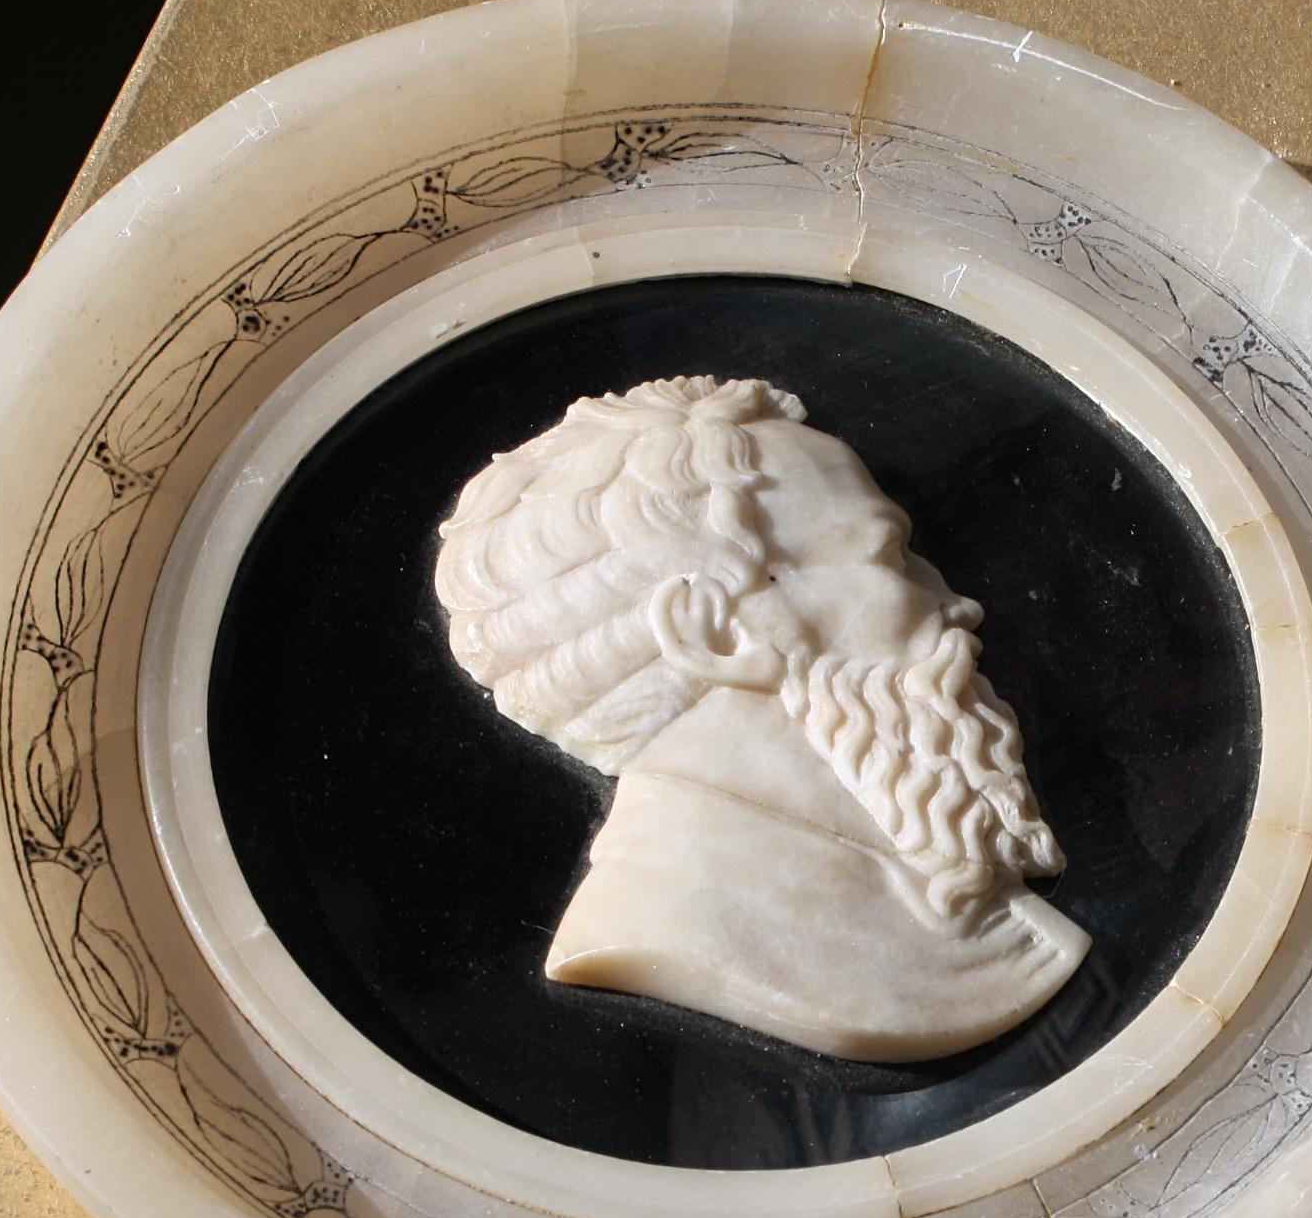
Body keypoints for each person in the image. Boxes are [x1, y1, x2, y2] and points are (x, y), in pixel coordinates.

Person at [435, 375, 1089, 1062]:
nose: (956, 602)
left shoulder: (945, 892)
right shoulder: (673, 921)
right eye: (890, 556)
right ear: (717, 635)